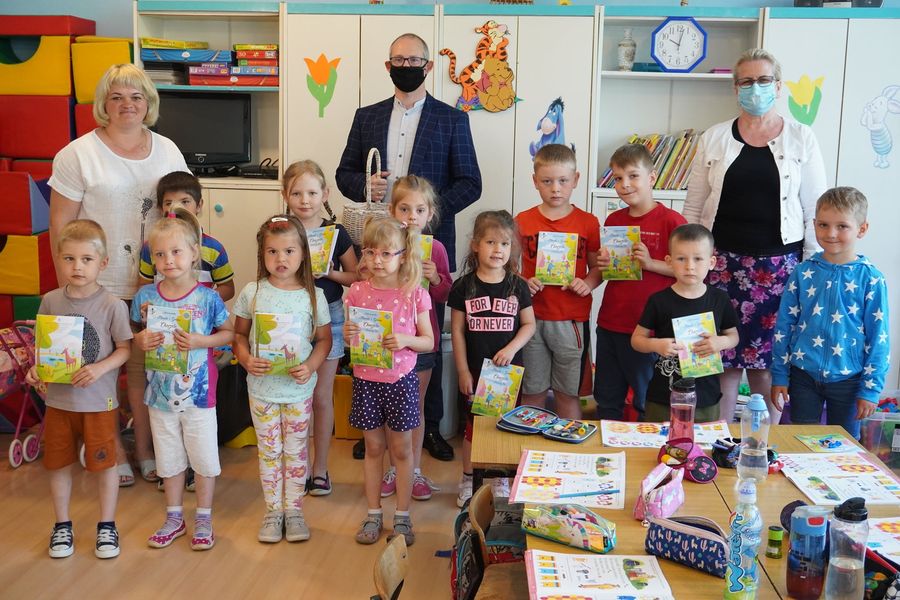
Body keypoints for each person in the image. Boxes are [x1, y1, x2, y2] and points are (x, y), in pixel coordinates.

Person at [336, 32, 482, 461]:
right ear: (388, 66)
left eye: (414, 60)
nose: (406, 66)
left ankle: (429, 426)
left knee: (425, 336)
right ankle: (375, 426)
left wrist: (424, 216)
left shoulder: (453, 119)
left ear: (428, 66)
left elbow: (471, 182)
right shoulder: (366, 116)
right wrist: (365, 184)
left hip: (426, 246)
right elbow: (344, 174)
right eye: (398, 60)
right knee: (374, 330)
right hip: (378, 248)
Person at [49, 63, 190, 486]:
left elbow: (185, 214)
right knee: (104, 370)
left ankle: (145, 449)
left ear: (149, 103)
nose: (127, 104)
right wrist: (69, 287)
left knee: (146, 371)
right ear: (103, 104)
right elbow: (60, 227)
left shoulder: (168, 150)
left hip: (157, 284)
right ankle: (111, 448)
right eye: (117, 97)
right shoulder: (77, 154)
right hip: (97, 286)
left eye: (136, 96)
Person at [684, 48, 828, 425]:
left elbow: (814, 209)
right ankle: (722, 440)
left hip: (780, 269)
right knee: (723, 363)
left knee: (768, 365)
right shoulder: (714, 137)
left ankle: (764, 446)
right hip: (721, 266)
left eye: (764, 80)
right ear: (736, 88)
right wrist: (690, 263)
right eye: (746, 81)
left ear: (778, 86)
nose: (755, 88)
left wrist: (813, 269)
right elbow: (694, 208)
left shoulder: (801, 137)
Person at [25, 220, 132, 560]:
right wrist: (36, 369)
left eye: (86, 259)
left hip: (99, 403)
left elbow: (125, 349)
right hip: (59, 402)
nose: (77, 267)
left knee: (105, 465)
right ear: (59, 260)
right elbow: (44, 350)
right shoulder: (50, 301)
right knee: (58, 464)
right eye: (69, 258)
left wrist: (99, 368)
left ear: (103, 263)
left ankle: (107, 525)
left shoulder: (112, 305)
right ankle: (62, 525)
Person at [131, 209, 233, 550]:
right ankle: (174, 517)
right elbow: (135, 334)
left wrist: (202, 341)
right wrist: (140, 340)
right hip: (159, 395)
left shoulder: (208, 297)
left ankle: (203, 517)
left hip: (199, 396)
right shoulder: (145, 297)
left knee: (203, 457)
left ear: (194, 253)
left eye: (176, 252)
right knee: (169, 457)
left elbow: (229, 333)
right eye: (160, 254)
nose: (168, 260)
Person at [232, 215, 331, 543]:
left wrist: (311, 366)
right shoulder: (253, 292)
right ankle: (274, 511)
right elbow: (239, 336)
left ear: (303, 253)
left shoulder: (313, 295)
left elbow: (324, 340)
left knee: (296, 450)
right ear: (262, 254)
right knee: (269, 451)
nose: (281, 259)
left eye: (289, 251)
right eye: (272, 251)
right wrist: (246, 359)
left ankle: (294, 510)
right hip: (262, 390)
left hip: (297, 390)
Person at [771, 187, 889, 439]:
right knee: (802, 442)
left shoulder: (871, 279)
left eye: (842, 226)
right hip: (802, 375)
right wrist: (780, 375)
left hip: (849, 379)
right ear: (814, 224)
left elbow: (879, 338)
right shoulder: (802, 272)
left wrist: (871, 389)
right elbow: (784, 327)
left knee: (845, 447)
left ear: (862, 229)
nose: (831, 233)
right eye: (823, 225)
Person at [343, 218, 433, 546]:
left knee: (401, 450)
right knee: (373, 448)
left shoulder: (414, 293)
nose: (376, 260)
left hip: (401, 381)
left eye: (385, 253)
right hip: (366, 380)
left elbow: (428, 341)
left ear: (403, 255)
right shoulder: (356, 291)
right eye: (370, 252)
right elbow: (351, 340)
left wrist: (406, 339)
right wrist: (348, 334)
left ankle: (403, 517)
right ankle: (373, 514)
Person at [282, 160, 358, 496]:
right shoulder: (279, 229)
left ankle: (320, 469)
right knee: (293, 395)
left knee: (321, 397)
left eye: (312, 193)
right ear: (285, 195)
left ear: (325, 194)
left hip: (330, 316)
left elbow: (356, 276)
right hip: (288, 317)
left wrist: (328, 273)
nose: (305, 200)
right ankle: (295, 466)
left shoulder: (336, 233)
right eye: (297, 193)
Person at [449, 210, 535, 506]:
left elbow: (529, 325)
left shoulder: (518, 286)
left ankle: (501, 479)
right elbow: (457, 331)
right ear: (475, 245)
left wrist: (511, 349)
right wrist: (463, 370)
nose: (498, 249)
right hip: (475, 372)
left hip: (509, 376)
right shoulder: (463, 286)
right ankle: (467, 478)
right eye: (490, 242)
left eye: (505, 244)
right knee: (473, 429)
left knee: (506, 427)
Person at [594, 144, 686, 420]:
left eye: (633, 176)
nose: (624, 184)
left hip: (649, 330)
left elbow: (689, 271)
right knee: (607, 399)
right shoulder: (614, 219)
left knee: (648, 400)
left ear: (652, 177)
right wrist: (604, 265)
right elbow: (611, 273)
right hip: (611, 322)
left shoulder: (672, 221)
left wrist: (651, 263)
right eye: (618, 178)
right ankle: (609, 444)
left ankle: (648, 446)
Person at [515, 144, 601, 419]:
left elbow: (597, 268)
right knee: (532, 392)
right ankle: (529, 444)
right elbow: (508, 268)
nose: (555, 189)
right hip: (531, 320)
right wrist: (523, 282)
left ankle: (568, 446)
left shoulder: (588, 222)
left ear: (575, 179)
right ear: (535, 181)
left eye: (563, 181)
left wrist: (587, 283)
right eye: (547, 181)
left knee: (568, 394)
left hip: (571, 319)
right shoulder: (522, 221)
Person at [379, 176, 451, 502]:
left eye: (419, 210)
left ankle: (415, 469)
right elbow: (369, 283)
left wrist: (435, 278)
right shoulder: (385, 244)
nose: (411, 216)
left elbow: (446, 293)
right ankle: (394, 469)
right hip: (388, 341)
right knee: (388, 409)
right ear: (392, 210)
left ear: (430, 213)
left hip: (421, 341)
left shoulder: (436, 249)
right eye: (404, 209)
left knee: (414, 407)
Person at [632, 224, 740, 421]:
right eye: (681, 259)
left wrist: (720, 342)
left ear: (711, 262)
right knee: (659, 438)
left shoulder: (719, 299)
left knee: (704, 439)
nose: (690, 266)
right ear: (669, 262)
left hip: (706, 396)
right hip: (663, 396)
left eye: (698, 259)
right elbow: (637, 340)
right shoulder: (658, 300)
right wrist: (656, 345)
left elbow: (733, 336)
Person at [139, 171, 235, 302]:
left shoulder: (214, 248)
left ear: (199, 205)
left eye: (185, 201)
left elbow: (228, 288)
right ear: (161, 208)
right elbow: (144, 285)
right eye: (168, 203)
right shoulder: (150, 247)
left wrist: (203, 302)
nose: (176, 207)